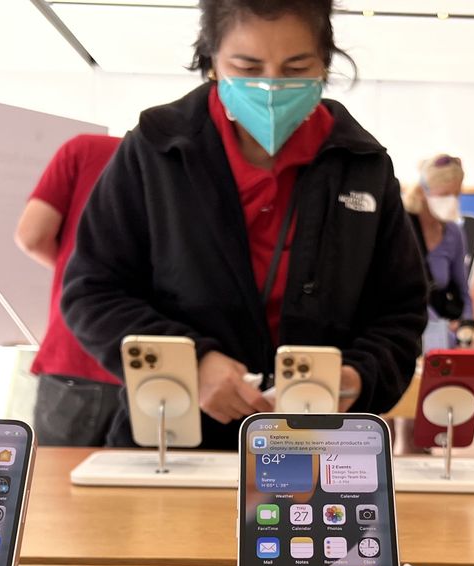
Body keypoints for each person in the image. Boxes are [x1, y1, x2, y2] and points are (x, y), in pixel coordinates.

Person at [60, 0, 428, 450]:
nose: (271, 86)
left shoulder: (363, 166)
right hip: (176, 442)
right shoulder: (156, 152)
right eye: (247, 66)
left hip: (317, 446)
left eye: (296, 68)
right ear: (212, 61)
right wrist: (189, 366)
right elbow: (92, 291)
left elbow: (400, 311)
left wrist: (357, 377)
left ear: (325, 63)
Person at [14, 134, 123, 446]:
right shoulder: (193, 166)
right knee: (146, 493)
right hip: (161, 367)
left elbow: (32, 235)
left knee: (58, 490)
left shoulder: (87, 149)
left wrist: (80, 276)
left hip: (77, 354)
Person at [403, 154, 472, 323]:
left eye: (456, 195)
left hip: (441, 335)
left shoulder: (453, 233)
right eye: (444, 194)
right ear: (422, 191)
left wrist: (467, 324)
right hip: (405, 328)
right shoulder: (402, 225)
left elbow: (462, 290)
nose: (451, 201)